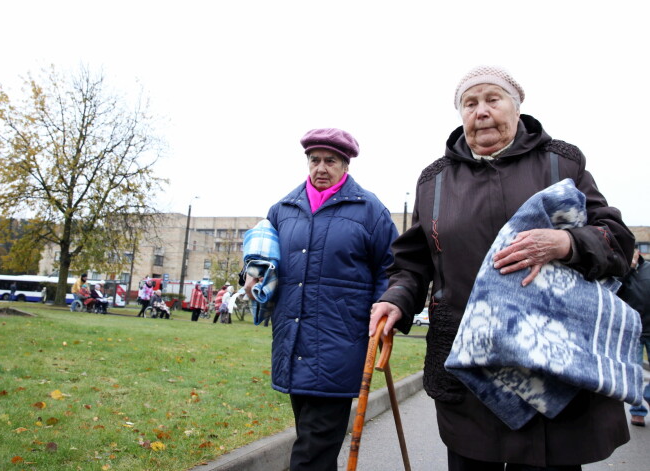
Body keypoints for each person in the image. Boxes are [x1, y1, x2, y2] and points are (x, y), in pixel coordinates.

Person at [370, 66, 635, 470]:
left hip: (551, 363)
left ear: (516, 106)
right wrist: (396, 300)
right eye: (470, 103)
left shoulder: (560, 163)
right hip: (471, 368)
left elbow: (615, 239)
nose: (481, 111)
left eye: (493, 99)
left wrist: (566, 242)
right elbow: (413, 263)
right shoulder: (435, 181)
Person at [266, 127, 398, 470]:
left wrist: (386, 311)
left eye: (330, 161)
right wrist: (253, 277)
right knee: (312, 439)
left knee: (314, 446)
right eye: (314, 160)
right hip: (292, 342)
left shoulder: (369, 210)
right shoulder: (283, 209)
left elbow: (392, 268)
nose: (321, 168)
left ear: (346, 165)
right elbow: (265, 260)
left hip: (340, 343)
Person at [617, 248, 650, 427]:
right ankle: (637, 412)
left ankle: (648, 395)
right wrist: (628, 269)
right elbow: (614, 292)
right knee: (634, 374)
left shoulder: (648, 269)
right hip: (633, 332)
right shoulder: (620, 274)